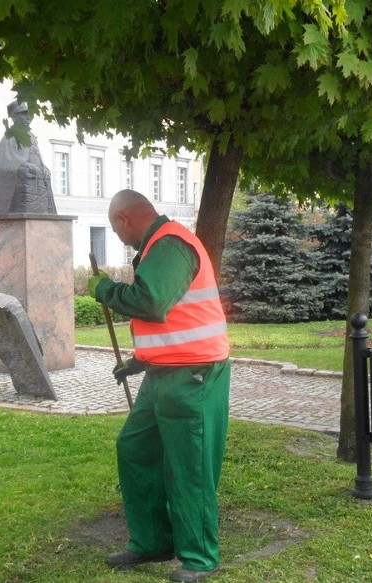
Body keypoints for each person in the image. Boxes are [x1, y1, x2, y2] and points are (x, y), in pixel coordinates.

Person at [87, 189, 230, 583]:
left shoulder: (170, 244)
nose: (118, 237)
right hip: (164, 374)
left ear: (124, 219)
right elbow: (171, 320)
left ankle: (200, 557)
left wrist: (104, 290)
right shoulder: (157, 247)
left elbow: (151, 302)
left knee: (190, 466)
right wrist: (138, 361)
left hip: (194, 376)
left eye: (116, 229)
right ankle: (152, 542)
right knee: (136, 448)